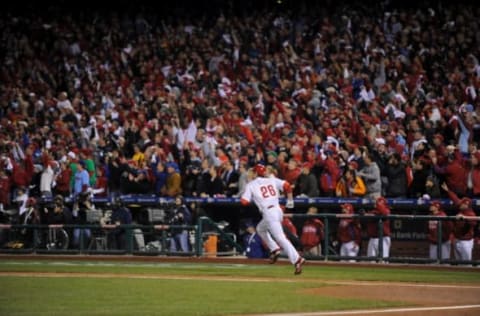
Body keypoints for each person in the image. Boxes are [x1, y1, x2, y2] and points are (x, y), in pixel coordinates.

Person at [240, 164, 305, 275]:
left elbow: (244, 202)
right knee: (260, 229)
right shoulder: (272, 180)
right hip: (278, 210)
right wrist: (290, 200)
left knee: (280, 238)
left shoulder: (251, 184)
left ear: (255, 173)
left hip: (269, 213)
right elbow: (287, 186)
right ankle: (274, 249)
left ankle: (297, 259)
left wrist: (249, 194)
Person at [441, 183, 477, 261]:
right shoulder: (461, 209)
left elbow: (474, 223)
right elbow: (455, 199)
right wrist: (448, 191)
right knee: (459, 264)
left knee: (467, 264)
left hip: (466, 242)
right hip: (457, 239)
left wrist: (465, 218)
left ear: (467, 205)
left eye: (463, 203)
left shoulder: (471, 213)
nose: (460, 204)